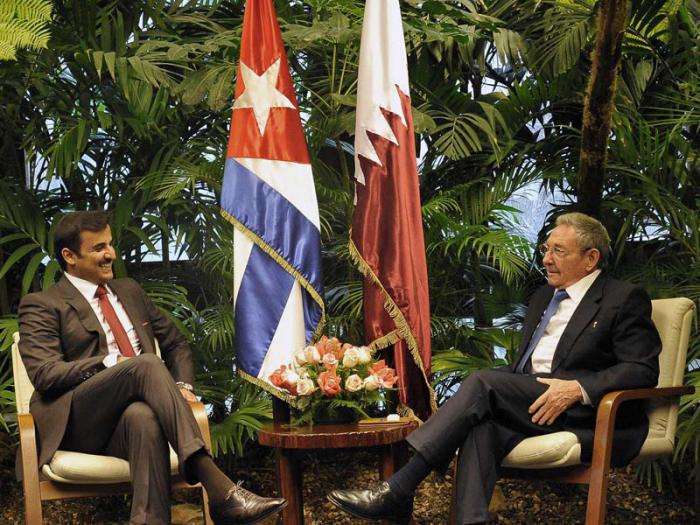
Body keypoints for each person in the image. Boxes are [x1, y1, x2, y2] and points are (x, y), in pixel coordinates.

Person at [327, 212, 661, 524]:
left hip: (586, 412)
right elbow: (524, 366)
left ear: (591, 259)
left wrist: (577, 389)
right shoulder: (543, 297)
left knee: (483, 383)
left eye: (559, 251)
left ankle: (398, 488)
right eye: (546, 249)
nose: (546, 259)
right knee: (480, 427)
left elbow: (642, 369)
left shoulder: (623, 298)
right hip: (531, 403)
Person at [17, 211, 286, 525]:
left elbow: (176, 344)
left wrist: (183, 388)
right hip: (79, 421)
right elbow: (46, 374)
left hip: (128, 422)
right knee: (143, 365)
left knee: (143, 417)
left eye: (110, 244)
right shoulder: (43, 303)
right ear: (69, 256)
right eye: (99, 248)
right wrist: (109, 363)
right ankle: (218, 486)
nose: (111, 255)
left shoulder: (129, 290)